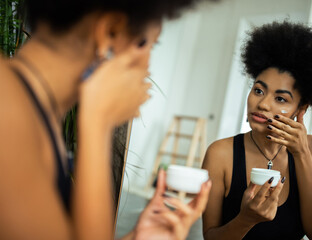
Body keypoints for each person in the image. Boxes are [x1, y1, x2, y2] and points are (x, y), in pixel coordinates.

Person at [0, 0, 213, 239]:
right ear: (109, 32)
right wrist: (98, 124)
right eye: (148, 44)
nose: (148, 66)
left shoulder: (34, 108)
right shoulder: (6, 103)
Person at [202, 21, 312, 240]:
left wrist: (301, 153)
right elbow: (210, 237)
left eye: (280, 98)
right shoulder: (220, 154)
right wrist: (245, 220)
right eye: (258, 90)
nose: (263, 104)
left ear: (301, 109)